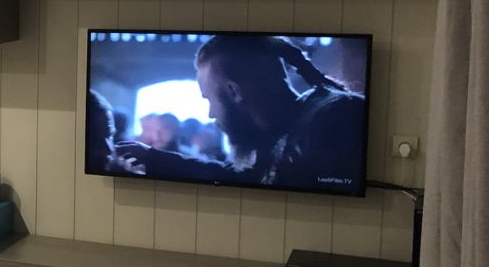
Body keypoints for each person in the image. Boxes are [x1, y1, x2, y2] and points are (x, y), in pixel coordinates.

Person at [116, 36, 366, 191]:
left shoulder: (334, 118)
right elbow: (239, 177)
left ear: (234, 92)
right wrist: (151, 158)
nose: (211, 114)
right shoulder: (283, 130)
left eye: (209, 99)